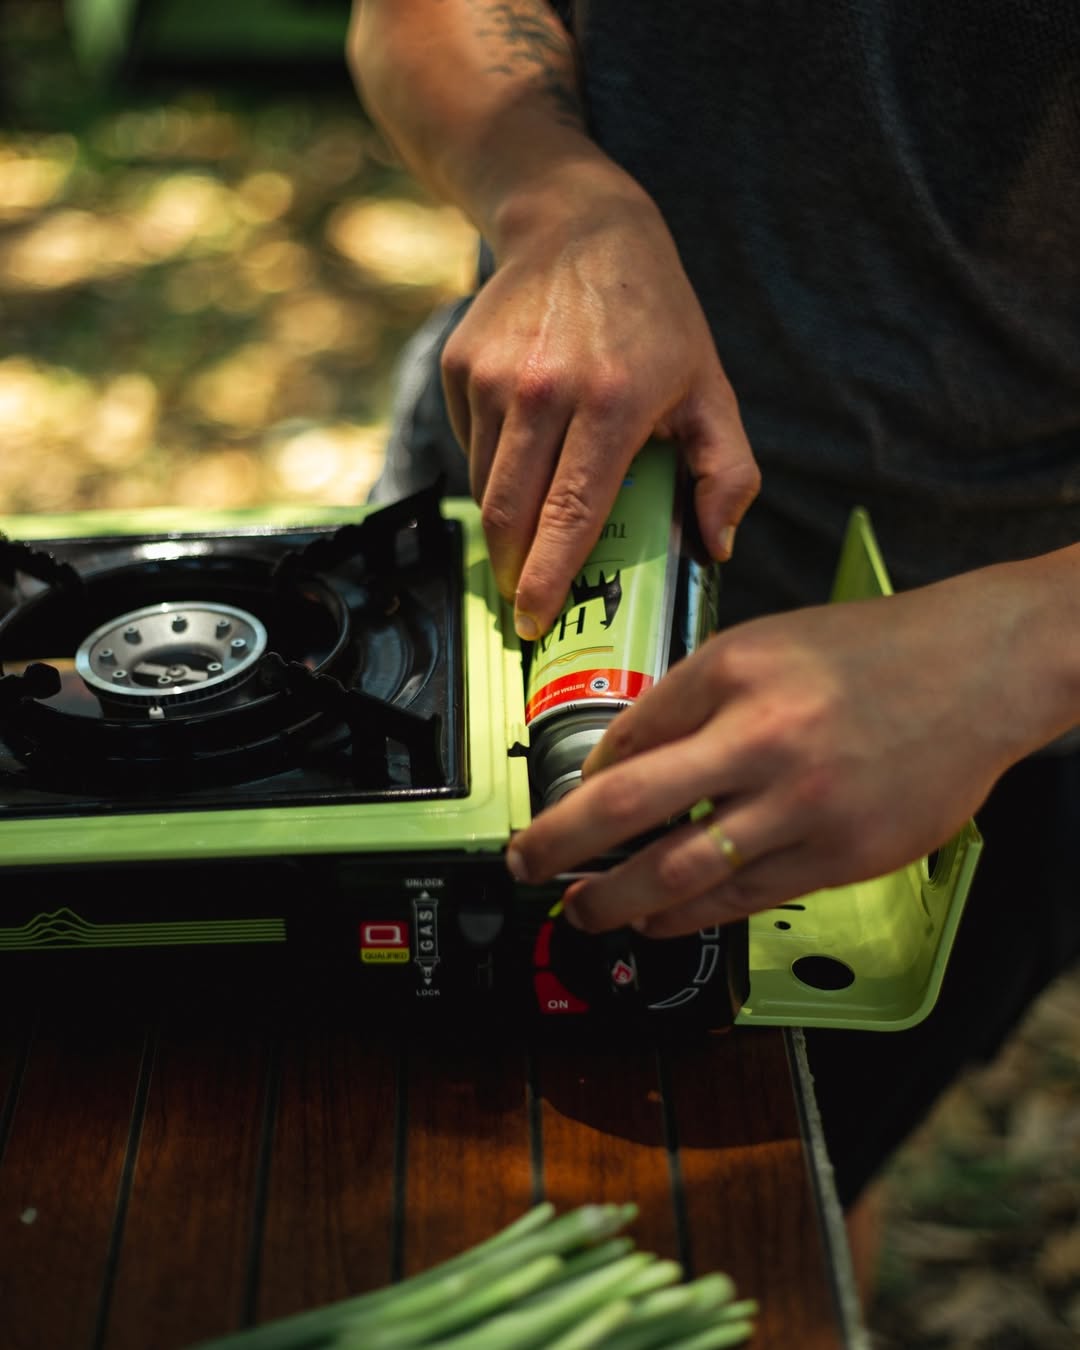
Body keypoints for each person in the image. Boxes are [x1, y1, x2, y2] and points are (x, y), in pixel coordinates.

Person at [347, 0, 1080, 1293]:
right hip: (490, 544)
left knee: (776, 1199)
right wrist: (557, 195)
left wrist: (1030, 646)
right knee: (397, 1161)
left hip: (958, 732)